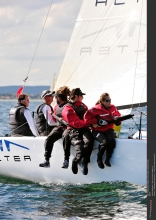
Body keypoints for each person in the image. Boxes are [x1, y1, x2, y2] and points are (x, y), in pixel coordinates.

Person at [61, 88, 94, 175]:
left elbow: (88, 117)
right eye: (81, 96)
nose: (83, 97)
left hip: (84, 129)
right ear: (77, 96)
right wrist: (89, 124)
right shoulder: (67, 108)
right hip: (73, 130)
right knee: (80, 150)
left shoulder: (83, 106)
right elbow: (75, 123)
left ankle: (85, 162)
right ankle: (75, 161)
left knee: (89, 142)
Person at [84, 92, 121, 169]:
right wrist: (95, 123)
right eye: (107, 101)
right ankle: (99, 159)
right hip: (97, 130)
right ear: (102, 101)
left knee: (112, 141)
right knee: (104, 142)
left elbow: (118, 115)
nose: (109, 102)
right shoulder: (95, 109)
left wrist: (117, 120)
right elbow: (86, 118)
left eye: (110, 100)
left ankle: (107, 159)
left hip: (108, 129)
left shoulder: (113, 107)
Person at [39, 86, 71, 168]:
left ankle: (66, 160)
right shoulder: (57, 106)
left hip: (68, 127)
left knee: (66, 137)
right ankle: (46, 160)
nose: (53, 98)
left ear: (58, 97)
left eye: (54, 96)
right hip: (60, 126)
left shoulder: (69, 105)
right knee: (49, 139)